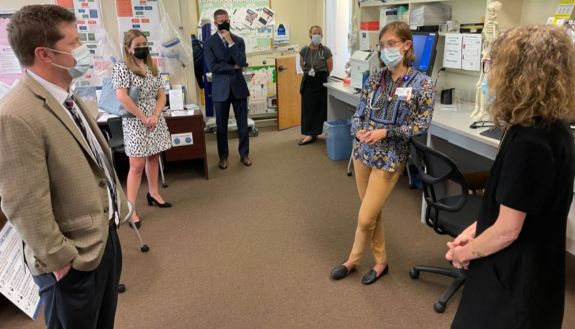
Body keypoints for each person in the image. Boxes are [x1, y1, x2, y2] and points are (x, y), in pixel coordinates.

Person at [0, 5, 130, 328]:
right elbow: (22, 202)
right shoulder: (16, 114)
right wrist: (62, 261)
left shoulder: (68, 96)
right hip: (71, 263)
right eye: (73, 43)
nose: (82, 50)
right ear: (44, 54)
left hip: (102, 241)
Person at [446, 25, 575, 329]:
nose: (489, 75)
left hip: (514, 280)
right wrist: (474, 230)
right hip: (532, 271)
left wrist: (465, 252)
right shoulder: (552, 128)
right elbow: (515, 203)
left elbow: (507, 230)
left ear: (518, 74)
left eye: (493, 65)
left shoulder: (530, 142)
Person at [330, 21, 435, 285]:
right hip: (364, 153)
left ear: (406, 45)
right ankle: (380, 262)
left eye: (391, 44)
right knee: (371, 212)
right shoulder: (376, 79)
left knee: (365, 217)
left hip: (390, 158)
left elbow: (421, 125)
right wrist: (358, 131)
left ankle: (352, 259)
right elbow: (359, 113)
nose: (385, 50)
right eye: (382, 45)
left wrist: (385, 133)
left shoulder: (422, 84)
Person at [112, 29, 173, 229]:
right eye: (137, 46)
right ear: (128, 48)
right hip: (135, 120)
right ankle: (131, 209)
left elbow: (162, 94)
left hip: (154, 118)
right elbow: (122, 97)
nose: (141, 49)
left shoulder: (152, 64)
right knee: (136, 166)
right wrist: (143, 117)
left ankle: (153, 193)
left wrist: (154, 115)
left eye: (144, 45)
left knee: (154, 157)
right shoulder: (121, 67)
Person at [204, 8, 252, 169]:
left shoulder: (238, 40)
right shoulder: (209, 42)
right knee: (221, 126)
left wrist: (230, 42)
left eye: (227, 20)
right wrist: (233, 67)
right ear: (215, 22)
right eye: (221, 21)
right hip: (220, 89)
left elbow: (242, 61)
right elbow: (212, 66)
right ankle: (223, 157)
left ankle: (244, 154)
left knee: (242, 124)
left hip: (238, 87)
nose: (225, 23)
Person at [298, 25, 333, 145]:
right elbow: (302, 65)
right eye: (315, 33)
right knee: (308, 108)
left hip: (321, 81)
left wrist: (319, 75)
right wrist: (309, 73)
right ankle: (309, 134)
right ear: (310, 34)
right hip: (308, 81)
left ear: (322, 36)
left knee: (320, 108)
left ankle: (316, 132)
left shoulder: (326, 51)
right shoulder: (304, 50)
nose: (317, 35)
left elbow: (329, 68)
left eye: (319, 33)